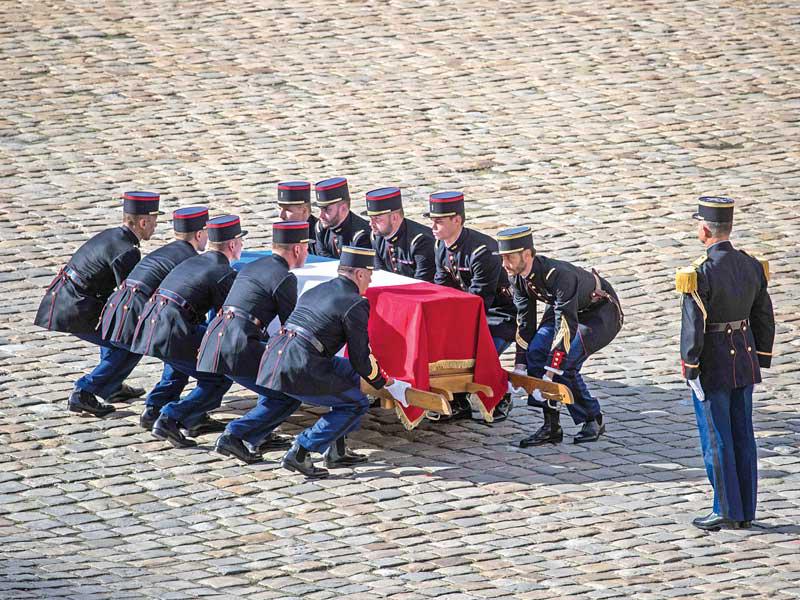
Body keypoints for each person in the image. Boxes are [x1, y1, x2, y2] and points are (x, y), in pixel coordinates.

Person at [254, 246, 410, 478]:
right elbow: (360, 357)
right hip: (301, 365)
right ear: (359, 274)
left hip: (278, 357)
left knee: (348, 376)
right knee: (355, 403)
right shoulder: (356, 302)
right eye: (369, 274)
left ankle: (336, 450)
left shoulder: (317, 290)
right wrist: (385, 383)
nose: (370, 279)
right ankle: (301, 450)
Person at [678, 197, 774, 531]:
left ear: (705, 229)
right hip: (745, 361)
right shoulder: (751, 265)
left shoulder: (698, 274)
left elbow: (693, 327)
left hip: (714, 363)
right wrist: (762, 356)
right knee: (743, 434)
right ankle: (746, 508)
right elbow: (763, 314)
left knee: (716, 438)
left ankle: (726, 508)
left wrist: (690, 365)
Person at [34, 191, 162, 417]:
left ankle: (111, 386)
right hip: (76, 306)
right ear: (143, 222)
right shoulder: (127, 251)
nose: (155, 227)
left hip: (72, 298)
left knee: (114, 336)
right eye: (154, 222)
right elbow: (131, 296)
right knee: (129, 343)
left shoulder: (114, 235)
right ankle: (85, 392)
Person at [496, 226, 623, 446]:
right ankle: (550, 425)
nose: (504, 264)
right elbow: (525, 322)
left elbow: (566, 325)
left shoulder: (558, 275)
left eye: (509, 257)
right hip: (563, 309)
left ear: (527, 255)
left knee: (566, 364)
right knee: (535, 353)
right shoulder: (517, 277)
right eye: (503, 257)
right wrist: (520, 366)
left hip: (596, 314)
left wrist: (552, 368)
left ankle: (593, 417)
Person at [197, 221, 310, 463]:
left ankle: (258, 435)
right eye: (306, 248)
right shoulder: (284, 278)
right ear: (298, 250)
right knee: (288, 394)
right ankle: (236, 435)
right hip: (239, 344)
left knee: (271, 384)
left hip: (216, 338)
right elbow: (291, 327)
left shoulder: (252, 266)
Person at [131, 215, 244, 448]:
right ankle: (172, 418)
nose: (241, 245)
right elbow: (225, 319)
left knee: (179, 361)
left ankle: (156, 409)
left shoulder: (193, 261)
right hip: (175, 328)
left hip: (152, 323)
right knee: (217, 378)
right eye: (240, 241)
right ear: (232, 245)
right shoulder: (224, 272)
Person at [100, 207, 210, 430]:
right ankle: (161, 408)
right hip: (145, 312)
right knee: (182, 349)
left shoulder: (169, 251)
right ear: (199, 235)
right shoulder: (188, 260)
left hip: (126, 307)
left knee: (178, 349)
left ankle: (156, 407)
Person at [427, 191, 516, 420]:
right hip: (466, 312)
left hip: (497, 316)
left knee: (478, 355)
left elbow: (480, 299)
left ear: (457, 220)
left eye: (439, 221)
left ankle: (501, 395)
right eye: (433, 221)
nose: (433, 226)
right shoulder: (441, 246)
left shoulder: (482, 251)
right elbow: (442, 287)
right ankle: (457, 401)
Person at [366, 187, 435, 281]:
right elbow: (380, 274)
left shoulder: (420, 241)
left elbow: (422, 282)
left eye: (377, 219)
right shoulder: (376, 237)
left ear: (394, 217)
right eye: (370, 218)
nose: (371, 223)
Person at [313, 177, 371, 258]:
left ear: (343, 208)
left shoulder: (360, 236)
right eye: (320, 209)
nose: (321, 216)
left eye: (326, 210)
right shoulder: (321, 229)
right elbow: (323, 260)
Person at [277, 181, 318, 255]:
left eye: (287, 210)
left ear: (304, 211)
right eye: (279, 209)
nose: (281, 215)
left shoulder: (320, 235)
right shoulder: (282, 233)